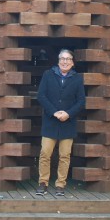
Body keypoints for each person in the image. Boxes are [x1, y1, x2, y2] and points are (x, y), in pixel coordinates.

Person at [36, 49, 85, 196]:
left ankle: (60, 184)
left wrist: (68, 113)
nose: (65, 61)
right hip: (50, 121)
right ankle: (43, 183)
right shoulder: (48, 75)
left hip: (68, 122)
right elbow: (41, 96)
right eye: (62, 58)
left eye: (68, 59)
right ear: (58, 61)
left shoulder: (77, 78)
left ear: (72, 62)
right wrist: (54, 112)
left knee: (65, 155)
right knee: (45, 153)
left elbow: (81, 101)